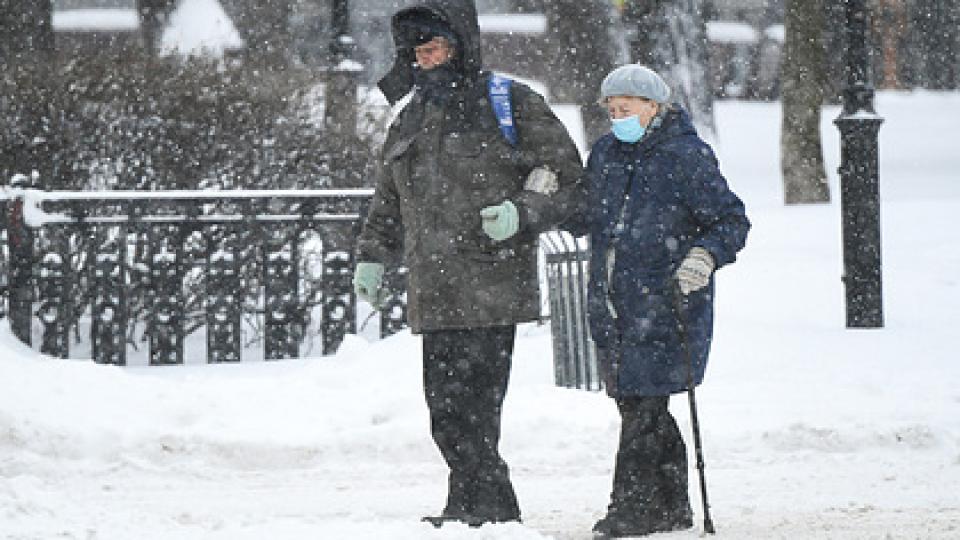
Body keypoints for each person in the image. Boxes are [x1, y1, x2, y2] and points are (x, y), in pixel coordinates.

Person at [352, 0, 583, 527]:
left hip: (490, 284)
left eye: (432, 46)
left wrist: (523, 212)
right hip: (434, 290)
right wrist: (372, 256)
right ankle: (472, 511)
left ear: (459, 44)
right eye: (416, 50)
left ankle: (490, 514)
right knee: (447, 414)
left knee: (476, 414)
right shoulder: (411, 114)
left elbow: (566, 177)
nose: (424, 58)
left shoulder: (510, 102)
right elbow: (389, 197)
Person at [565, 64, 750, 538]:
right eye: (610, 110)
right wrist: (550, 203)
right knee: (637, 405)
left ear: (653, 107)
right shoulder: (605, 154)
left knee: (645, 406)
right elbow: (587, 214)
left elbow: (730, 220)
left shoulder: (685, 157)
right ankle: (671, 506)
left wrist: (703, 257)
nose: (617, 117)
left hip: (666, 306)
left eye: (625, 109)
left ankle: (629, 508)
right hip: (613, 306)